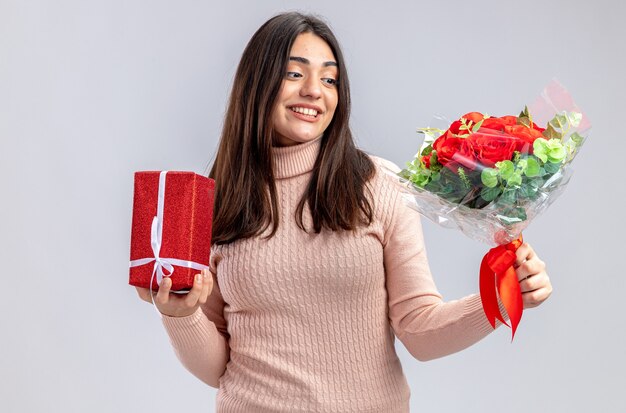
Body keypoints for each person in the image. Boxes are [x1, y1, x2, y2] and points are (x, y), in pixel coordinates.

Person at [135, 12, 553, 412]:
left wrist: (498, 298)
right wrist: (180, 316)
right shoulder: (214, 203)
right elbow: (218, 369)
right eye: (294, 73)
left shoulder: (379, 185)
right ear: (257, 84)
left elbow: (420, 331)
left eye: (329, 78)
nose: (315, 90)